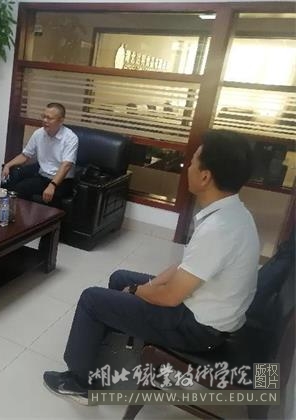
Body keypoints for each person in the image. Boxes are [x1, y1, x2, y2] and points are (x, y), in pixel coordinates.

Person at [43, 129, 260, 405]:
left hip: (197, 329)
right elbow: (185, 265)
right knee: (120, 277)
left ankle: (79, 383)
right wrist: (145, 286)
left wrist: (137, 291)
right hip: (201, 310)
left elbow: (170, 297)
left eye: (193, 161)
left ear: (205, 177)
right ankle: (103, 342)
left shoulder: (219, 228)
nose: (188, 167)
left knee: (91, 299)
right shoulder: (234, 213)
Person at [1, 103, 78, 206]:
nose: (45, 120)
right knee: (13, 181)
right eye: (44, 117)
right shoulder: (39, 133)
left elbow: (66, 166)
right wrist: (8, 165)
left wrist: (52, 185)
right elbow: (25, 155)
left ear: (61, 121)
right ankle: (9, 210)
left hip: (61, 181)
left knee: (24, 189)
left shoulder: (71, 138)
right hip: (43, 175)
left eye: (49, 118)